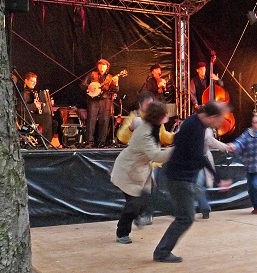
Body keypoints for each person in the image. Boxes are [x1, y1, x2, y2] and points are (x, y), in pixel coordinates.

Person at [153, 101, 232, 263]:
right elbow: (199, 156)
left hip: (181, 175)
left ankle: (161, 248)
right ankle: (161, 252)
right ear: (211, 117)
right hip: (181, 177)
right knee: (186, 217)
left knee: (184, 214)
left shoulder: (194, 123)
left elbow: (182, 143)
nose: (220, 123)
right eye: (220, 119)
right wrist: (218, 179)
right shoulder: (195, 127)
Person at [110, 101, 174, 244]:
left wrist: (179, 137)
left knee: (148, 196)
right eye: (165, 114)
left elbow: (138, 122)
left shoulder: (151, 126)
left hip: (140, 170)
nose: (168, 116)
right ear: (158, 117)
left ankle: (137, 215)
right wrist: (177, 150)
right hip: (128, 170)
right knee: (133, 202)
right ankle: (122, 233)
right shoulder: (145, 134)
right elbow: (156, 156)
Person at [80, 59, 120, 148]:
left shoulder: (110, 77)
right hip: (93, 100)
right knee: (91, 121)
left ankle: (101, 142)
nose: (102, 67)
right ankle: (89, 142)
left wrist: (116, 82)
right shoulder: (92, 74)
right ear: (98, 66)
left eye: (104, 65)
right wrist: (90, 88)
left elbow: (115, 90)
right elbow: (83, 85)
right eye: (100, 65)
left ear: (107, 67)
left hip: (106, 100)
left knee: (104, 120)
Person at [196, 128, 229, 219]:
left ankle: (204, 208)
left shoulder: (206, 130)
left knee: (197, 184)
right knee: (194, 186)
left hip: (200, 161)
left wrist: (225, 147)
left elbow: (212, 141)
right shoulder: (190, 126)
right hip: (190, 161)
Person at [21, 72, 58, 144]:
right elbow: (21, 108)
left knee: (54, 123)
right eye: (32, 81)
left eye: (35, 81)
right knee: (47, 118)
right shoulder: (22, 92)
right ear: (26, 81)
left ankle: (47, 142)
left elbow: (39, 106)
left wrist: (48, 104)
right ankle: (42, 142)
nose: (34, 83)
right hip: (25, 116)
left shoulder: (33, 92)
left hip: (33, 114)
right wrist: (35, 106)